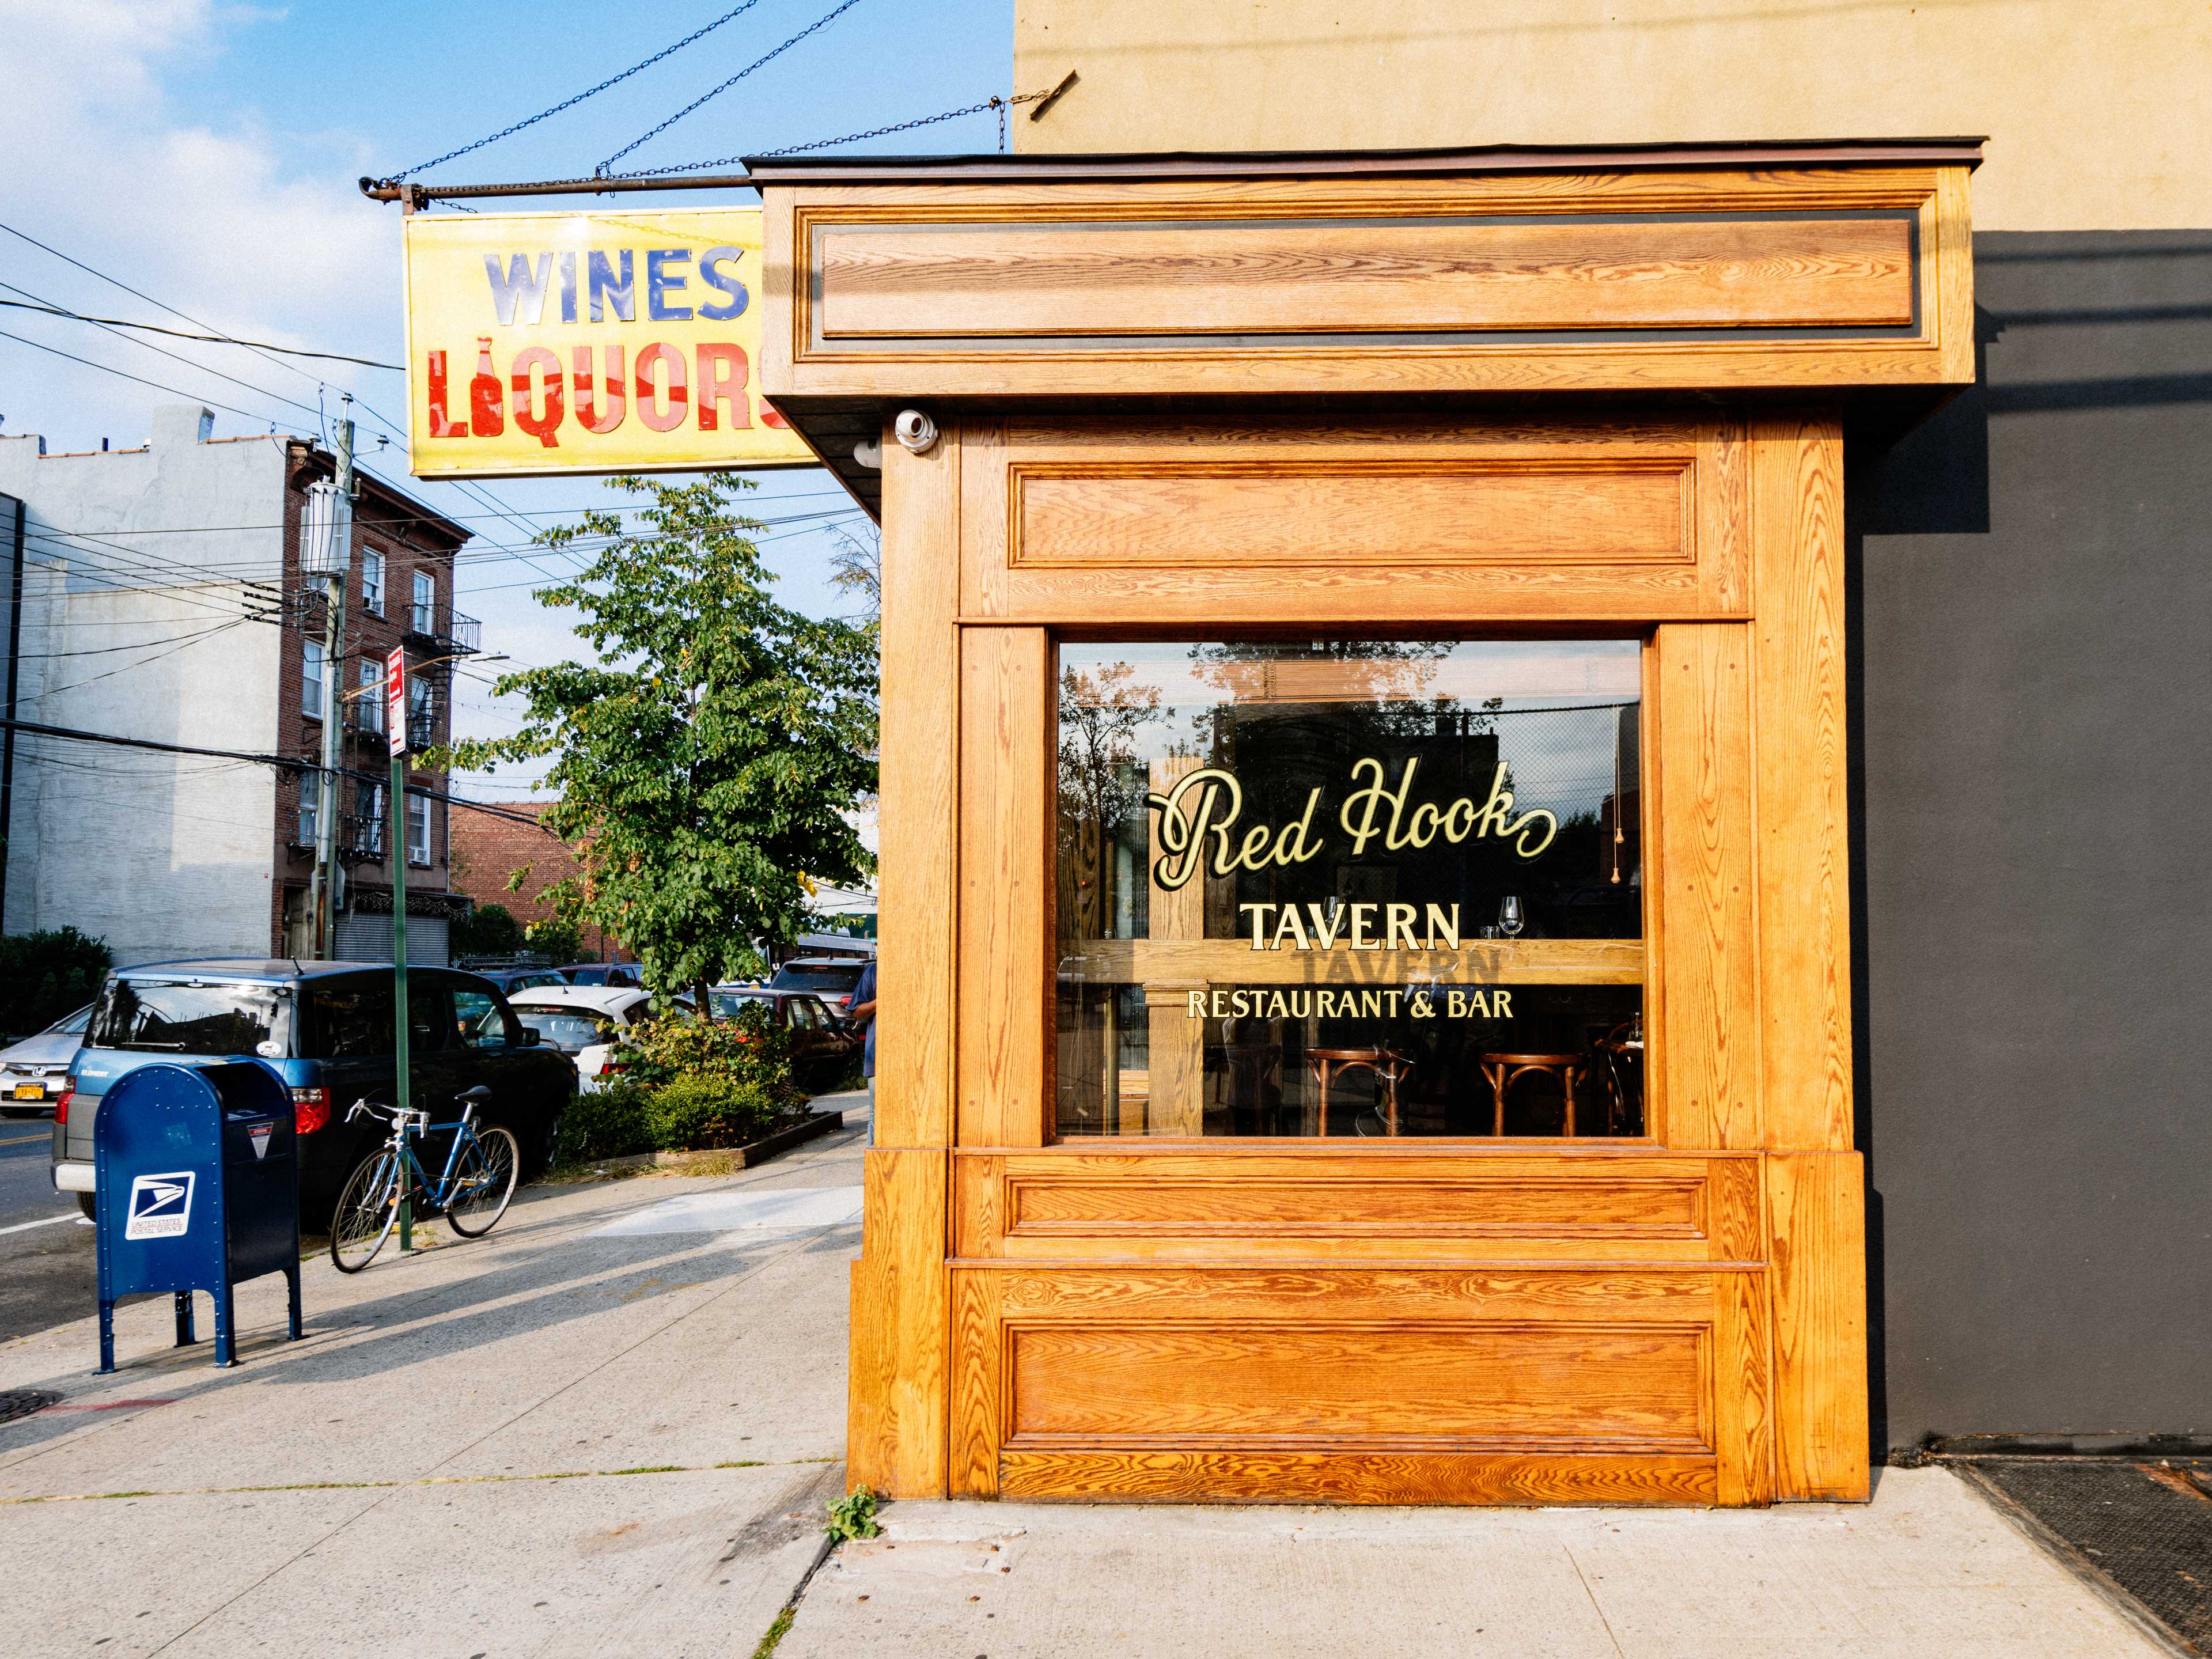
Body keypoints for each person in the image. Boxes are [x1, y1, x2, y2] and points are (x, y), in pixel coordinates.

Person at [847, 959, 877, 1143]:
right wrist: (880, 1001)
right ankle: (874, 1167)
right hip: (878, 1058)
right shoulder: (875, 972)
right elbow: (857, 1011)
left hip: (915, 1059)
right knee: (877, 1113)